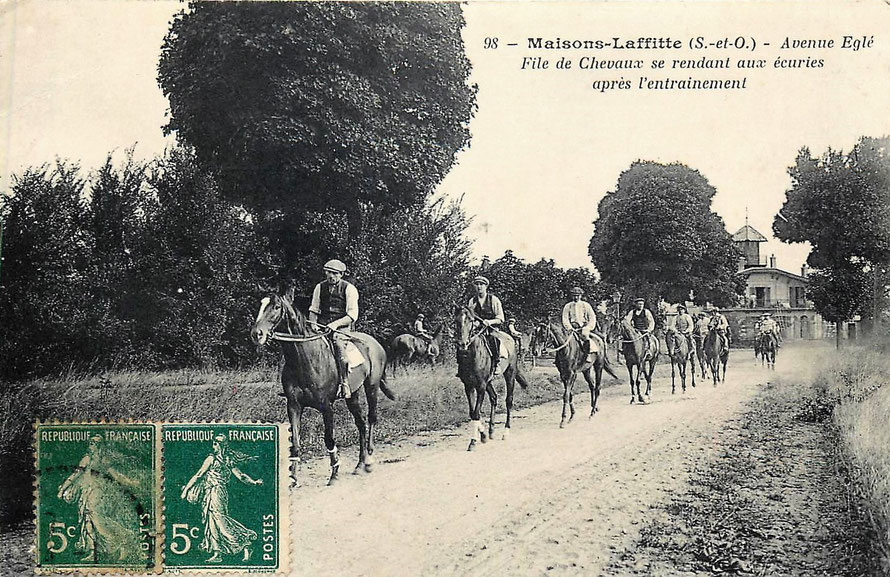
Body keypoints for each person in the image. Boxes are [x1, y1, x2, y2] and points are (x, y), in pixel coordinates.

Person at [181, 435, 262, 563]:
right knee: (212, 521)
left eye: (215, 443)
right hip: (211, 492)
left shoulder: (215, 459)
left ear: (221, 445)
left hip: (217, 492)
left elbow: (199, 475)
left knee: (220, 520)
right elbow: (241, 476)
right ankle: (217, 553)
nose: (213, 446)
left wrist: (186, 490)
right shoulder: (223, 459)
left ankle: (245, 542)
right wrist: (254, 482)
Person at [308, 259, 359, 399]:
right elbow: (314, 310)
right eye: (328, 272)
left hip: (341, 329)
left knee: (338, 346)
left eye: (335, 273)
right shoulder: (320, 287)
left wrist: (335, 325)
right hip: (321, 328)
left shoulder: (349, 289)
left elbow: (352, 315)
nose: (331, 276)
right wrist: (313, 325)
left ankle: (344, 383)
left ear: (341, 274)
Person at [467, 275, 509, 379]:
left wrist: (490, 322)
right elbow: (470, 317)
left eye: (481, 284)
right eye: (477, 284)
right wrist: (475, 323)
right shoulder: (472, 301)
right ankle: (464, 369)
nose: (479, 287)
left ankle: (496, 364)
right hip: (477, 330)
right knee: (465, 343)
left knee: (493, 340)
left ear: (486, 286)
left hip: (491, 329)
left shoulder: (493, 300)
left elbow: (501, 318)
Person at [561, 287, 601, 359]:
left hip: (583, 327)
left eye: (577, 295)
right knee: (562, 340)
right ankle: (560, 358)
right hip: (571, 328)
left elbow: (592, 317)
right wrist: (569, 327)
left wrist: (588, 327)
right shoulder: (568, 306)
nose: (576, 297)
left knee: (585, 336)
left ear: (581, 296)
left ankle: (587, 354)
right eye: (574, 295)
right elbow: (565, 318)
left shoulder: (586, 305)